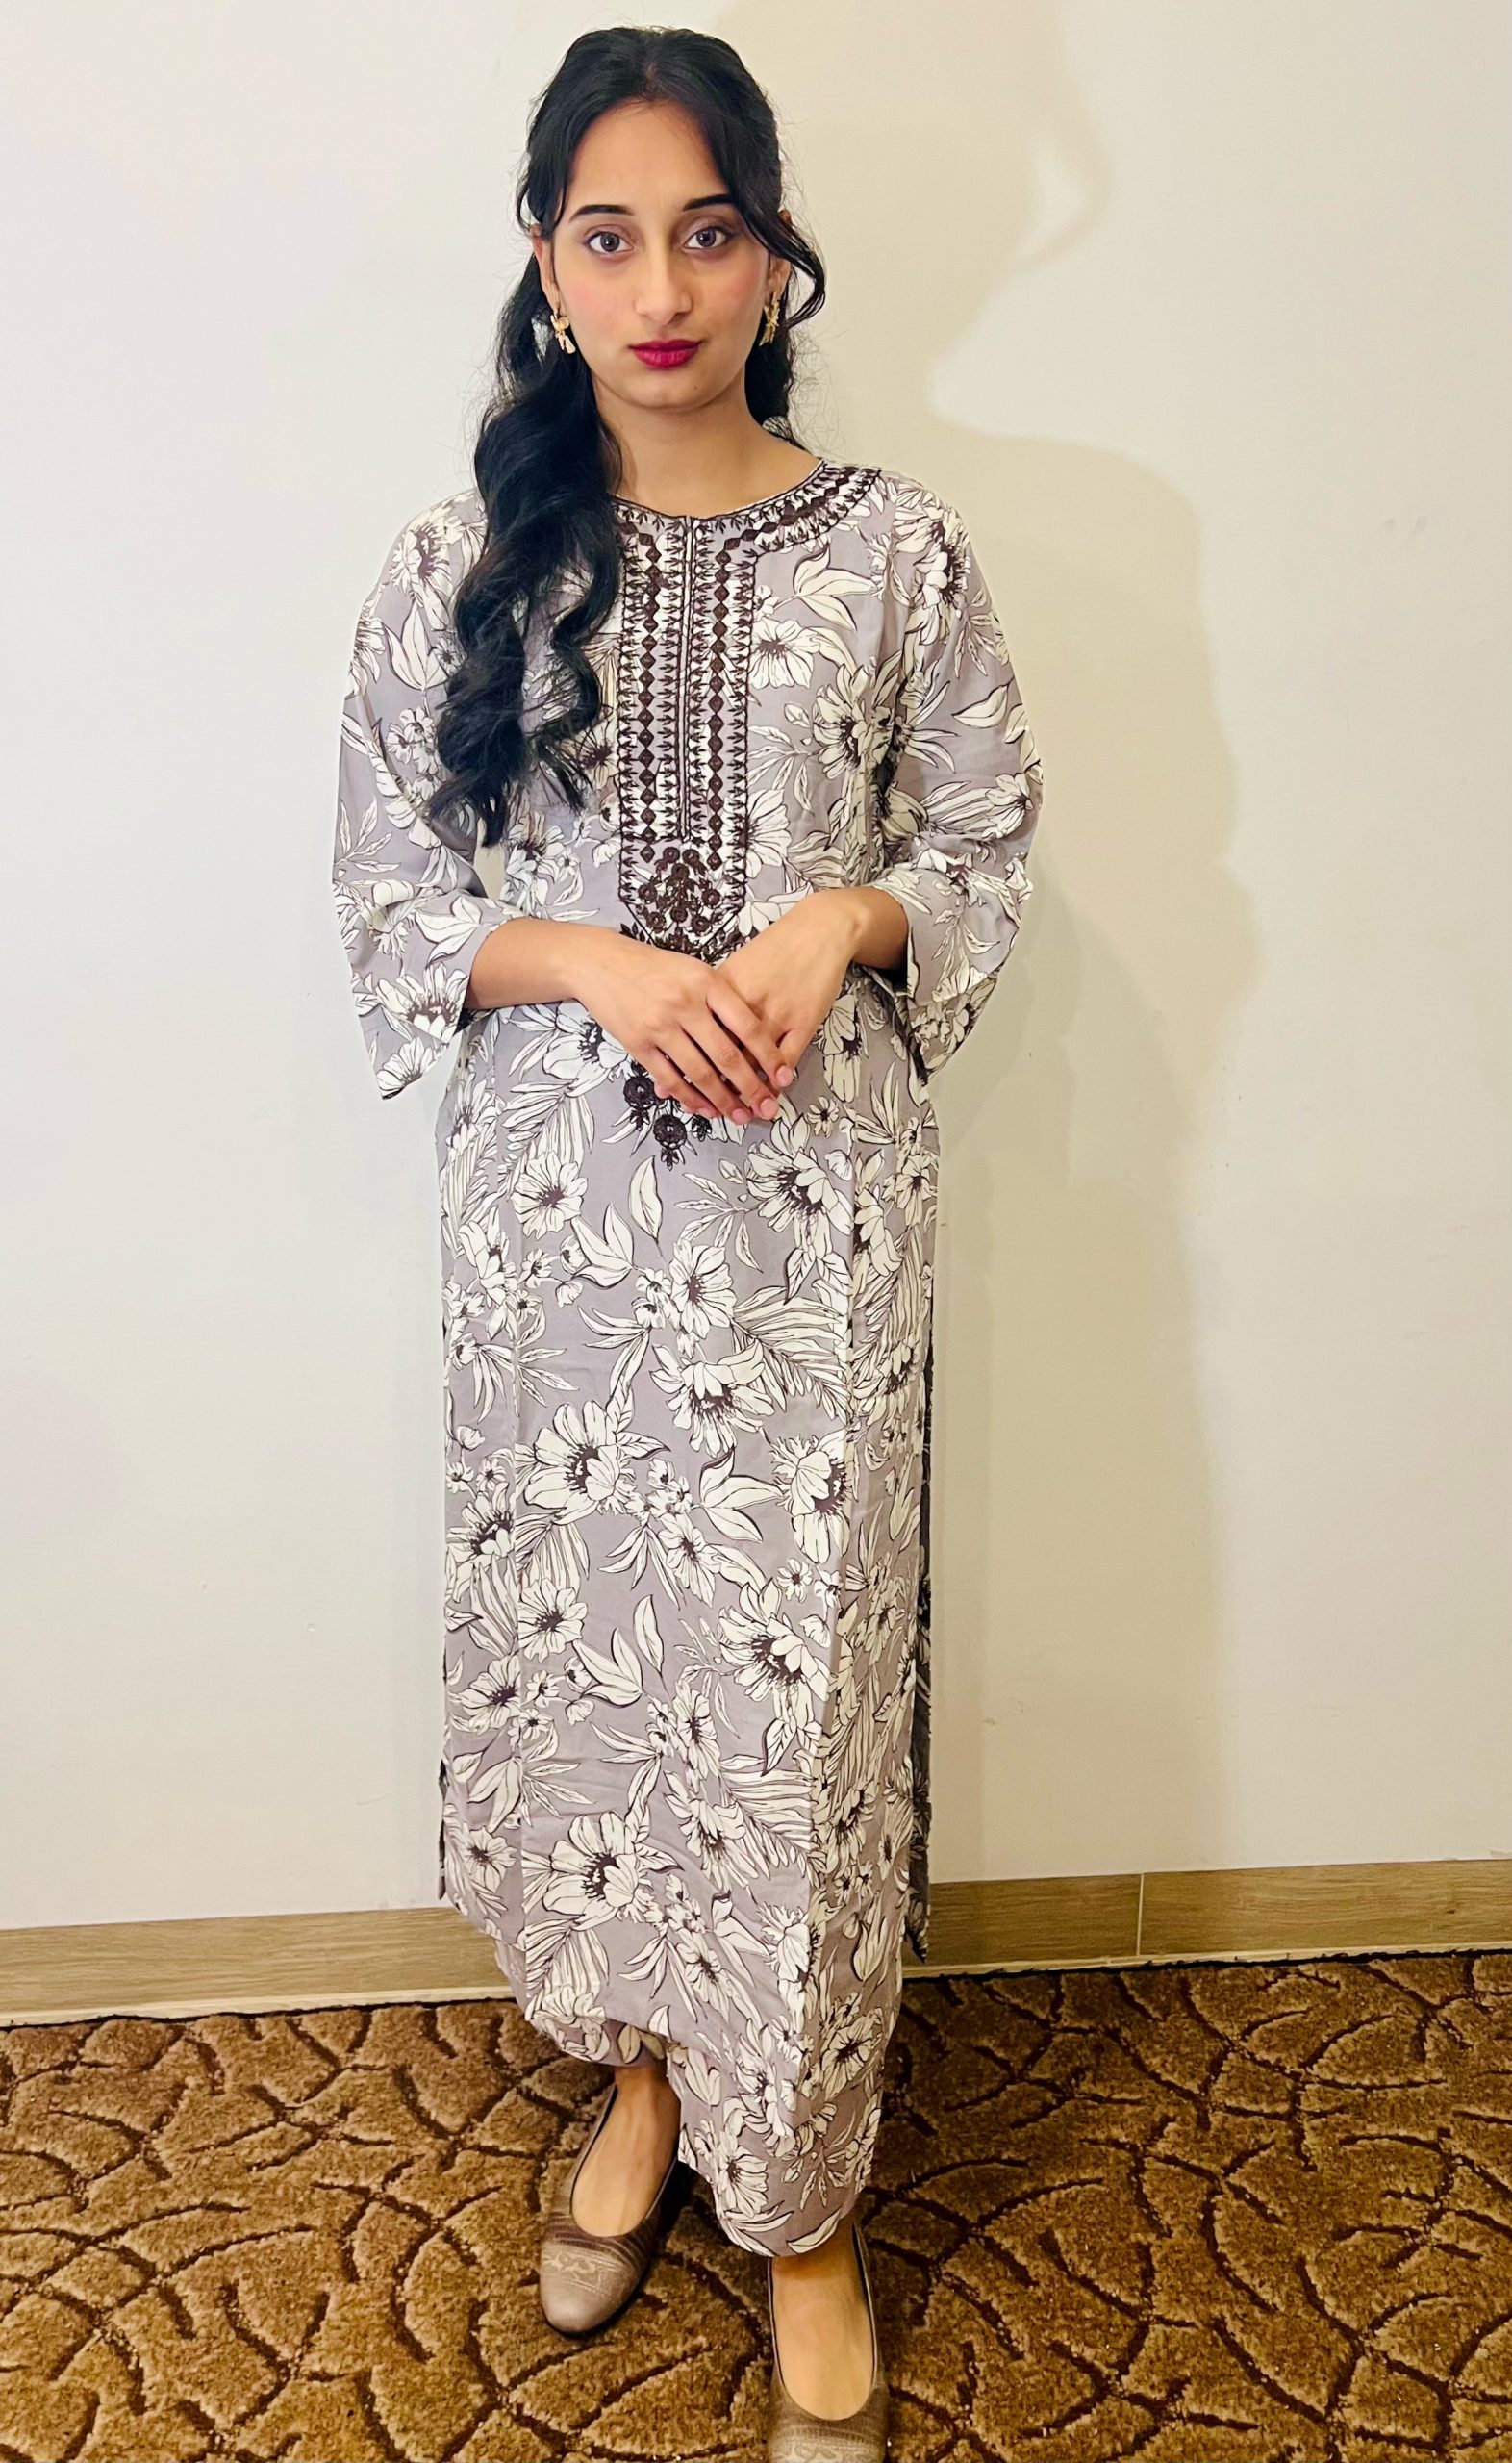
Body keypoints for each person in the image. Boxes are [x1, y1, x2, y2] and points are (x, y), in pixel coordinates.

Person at [331, 26, 1044, 2460]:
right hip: (560, 1245)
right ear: (545, 262)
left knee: (797, 1705)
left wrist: (838, 914)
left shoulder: (896, 550)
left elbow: (982, 845)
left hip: (811, 1241)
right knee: (608, 1686)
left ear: (773, 253)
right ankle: (643, 2078)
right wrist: (603, 962)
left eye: (708, 231)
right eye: (610, 235)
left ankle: (806, 2203)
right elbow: (391, 900)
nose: (661, 288)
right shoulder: (462, 562)